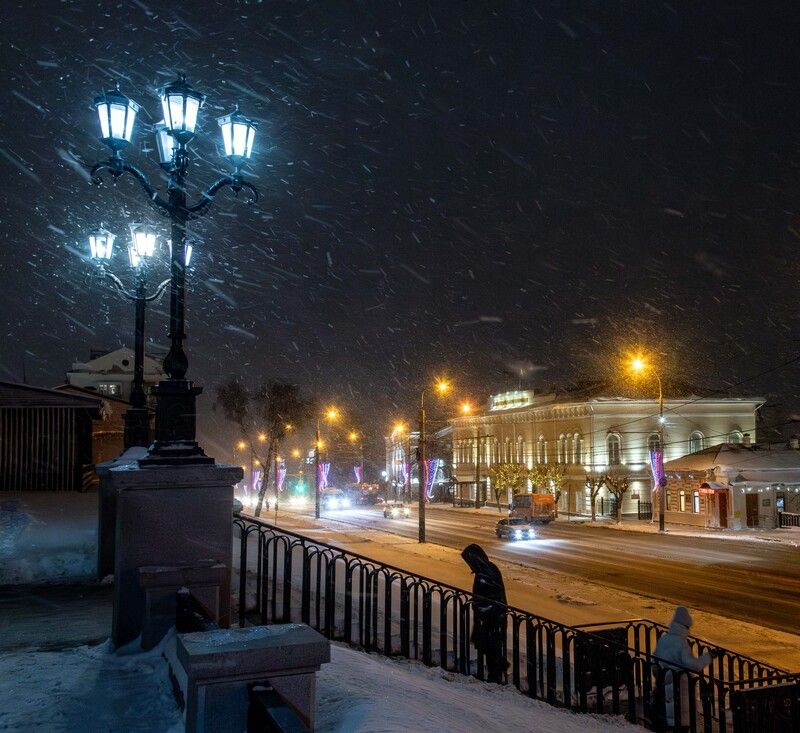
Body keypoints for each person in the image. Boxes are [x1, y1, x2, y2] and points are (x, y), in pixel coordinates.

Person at [653, 606, 713, 731]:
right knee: (680, 721)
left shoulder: (663, 639)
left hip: (664, 689)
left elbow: (654, 663)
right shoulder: (682, 643)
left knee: (668, 720)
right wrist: (709, 657)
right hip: (680, 690)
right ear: (685, 627)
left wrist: (663, 676)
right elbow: (694, 665)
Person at [461, 543, 508, 683]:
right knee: (489, 646)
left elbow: (487, 597)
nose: (469, 566)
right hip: (492, 617)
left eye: (469, 562)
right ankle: (496, 670)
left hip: (491, 618)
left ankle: (495, 674)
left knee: (490, 646)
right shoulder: (488, 570)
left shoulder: (485, 573)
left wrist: (478, 606)